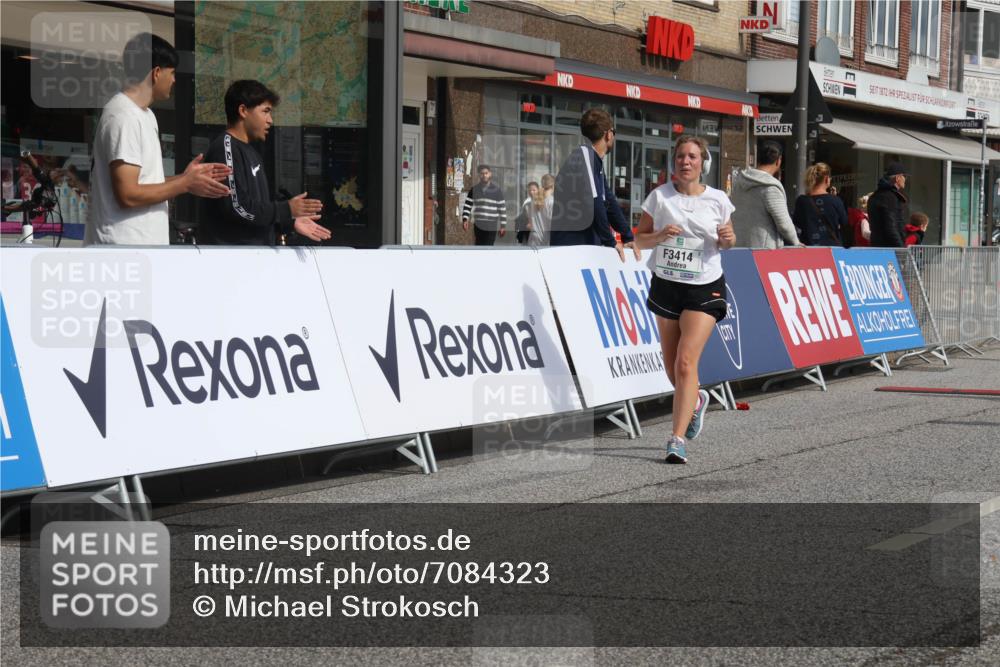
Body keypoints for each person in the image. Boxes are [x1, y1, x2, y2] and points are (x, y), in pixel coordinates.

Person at [634, 135, 737, 464]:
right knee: (671, 367)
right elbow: (640, 239)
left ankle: (676, 439)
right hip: (667, 283)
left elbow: (727, 241)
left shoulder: (718, 200)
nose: (686, 162)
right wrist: (660, 236)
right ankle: (695, 401)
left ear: (703, 162)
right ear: (674, 161)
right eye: (680, 156)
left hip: (704, 286)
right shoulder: (659, 197)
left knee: (685, 362)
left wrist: (728, 239)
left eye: (692, 156)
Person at [84, 33, 231, 246]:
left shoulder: (144, 115)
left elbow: (143, 184)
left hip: (142, 249)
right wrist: (185, 183)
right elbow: (128, 194)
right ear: (156, 73)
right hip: (122, 250)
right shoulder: (124, 116)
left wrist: (186, 178)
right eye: (172, 73)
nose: (174, 80)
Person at [198, 80, 330, 245]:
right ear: (243, 110)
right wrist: (286, 209)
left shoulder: (251, 151)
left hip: (257, 256)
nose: (270, 120)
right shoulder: (225, 149)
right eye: (265, 111)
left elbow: (258, 210)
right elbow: (238, 208)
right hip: (233, 259)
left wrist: (289, 222)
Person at [550, 108, 636, 258]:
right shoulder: (585, 156)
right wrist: (610, 241)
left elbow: (609, 202)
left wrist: (627, 236)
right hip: (571, 249)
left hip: (584, 247)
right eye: (614, 132)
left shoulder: (593, 160)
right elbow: (594, 202)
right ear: (608, 134)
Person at [729, 140, 801, 248]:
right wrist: (796, 242)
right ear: (779, 161)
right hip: (763, 251)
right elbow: (784, 223)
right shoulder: (770, 187)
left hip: (738, 247)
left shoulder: (739, 181)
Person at [792, 162, 851, 247]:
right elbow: (844, 222)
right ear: (827, 179)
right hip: (832, 249)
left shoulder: (802, 201)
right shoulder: (836, 200)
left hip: (809, 247)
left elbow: (797, 222)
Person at [461, 165, 507, 245]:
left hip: (491, 224)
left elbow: (502, 208)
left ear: (490, 174)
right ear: (479, 175)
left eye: (486, 173)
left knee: (488, 247)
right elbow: (468, 205)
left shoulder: (497, 190)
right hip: (478, 224)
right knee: (479, 246)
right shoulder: (474, 190)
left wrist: (503, 225)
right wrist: (465, 219)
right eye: (482, 173)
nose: (484, 175)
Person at [867, 162, 909, 248]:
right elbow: (891, 226)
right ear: (898, 178)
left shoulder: (875, 196)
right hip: (890, 249)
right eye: (905, 176)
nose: (906, 179)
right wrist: (901, 248)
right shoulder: (890, 197)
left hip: (876, 246)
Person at [516, 181, 547, 246]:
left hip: (542, 234)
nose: (531, 192)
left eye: (534, 190)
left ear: (538, 190)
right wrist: (527, 224)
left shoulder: (544, 202)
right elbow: (523, 219)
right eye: (530, 190)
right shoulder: (527, 203)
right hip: (529, 235)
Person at [533, 173, 555, 247]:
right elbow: (552, 224)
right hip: (544, 241)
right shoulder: (552, 202)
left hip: (533, 239)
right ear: (553, 186)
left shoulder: (534, 200)